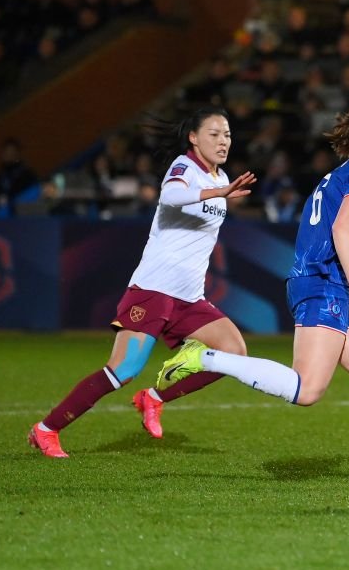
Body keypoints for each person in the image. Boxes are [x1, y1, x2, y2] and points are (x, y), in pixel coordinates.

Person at [155, 100, 349, 494]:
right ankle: (203, 357)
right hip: (326, 284)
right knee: (308, 390)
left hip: (329, 284)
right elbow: (344, 229)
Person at [28, 107, 257, 458]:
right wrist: (220, 193)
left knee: (234, 353)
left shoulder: (220, 177)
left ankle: (153, 398)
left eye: (227, 134)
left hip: (189, 297)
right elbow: (170, 197)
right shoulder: (185, 168)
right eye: (214, 133)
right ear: (193, 138)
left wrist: (221, 190)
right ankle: (46, 429)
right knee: (123, 369)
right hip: (154, 291)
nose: (223, 140)